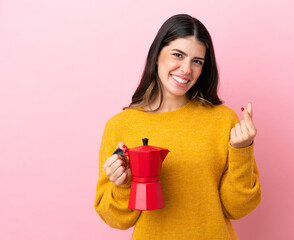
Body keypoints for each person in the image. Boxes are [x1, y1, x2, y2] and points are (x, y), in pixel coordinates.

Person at [94, 14, 261, 240]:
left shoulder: (223, 121)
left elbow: (237, 208)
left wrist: (243, 150)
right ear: (156, 55)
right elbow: (116, 219)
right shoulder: (120, 126)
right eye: (178, 55)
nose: (186, 69)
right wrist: (123, 184)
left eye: (197, 61)